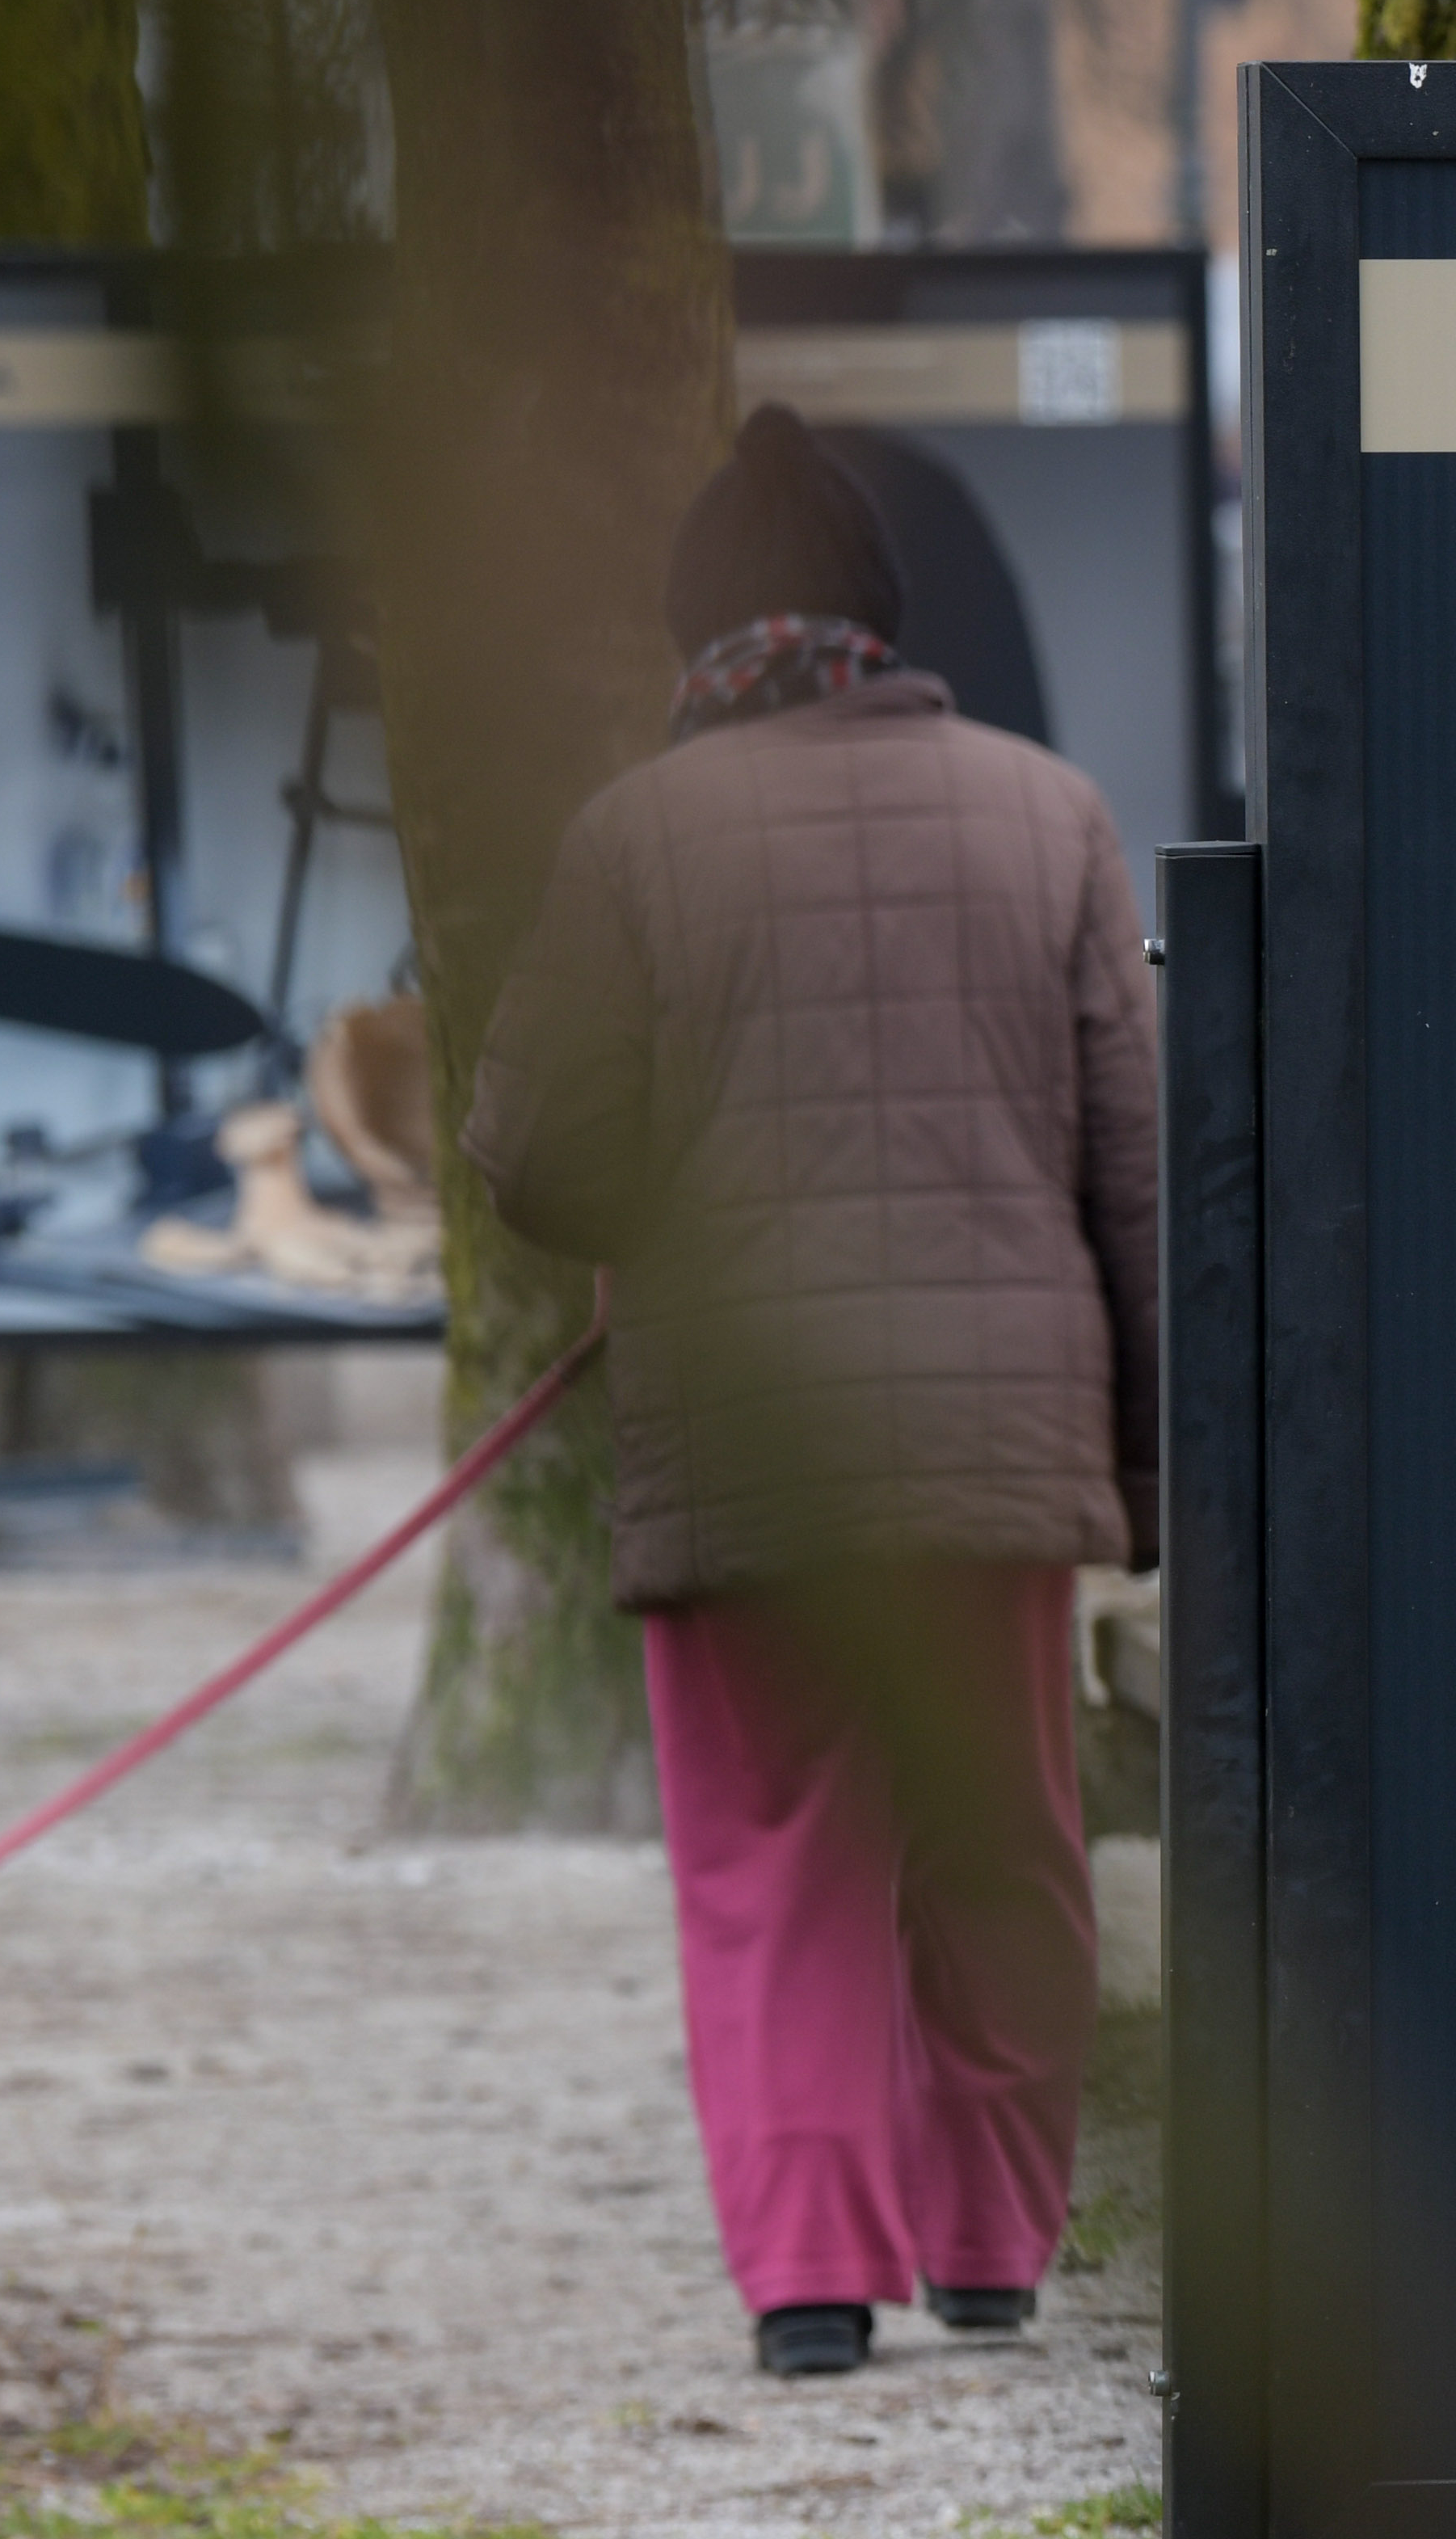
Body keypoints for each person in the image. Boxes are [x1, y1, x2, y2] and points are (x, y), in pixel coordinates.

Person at [465, 404, 1164, 2380]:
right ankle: (991, 2245)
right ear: (885, 613)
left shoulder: (634, 839)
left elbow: (532, 1156)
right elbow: (1141, 1167)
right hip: (993, 1448)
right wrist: (1151, 1473)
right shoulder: (1052, 812)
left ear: (701, 630)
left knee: (774, 1858)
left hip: (752, 1448)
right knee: (1002, 1842)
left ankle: (808, 2282)